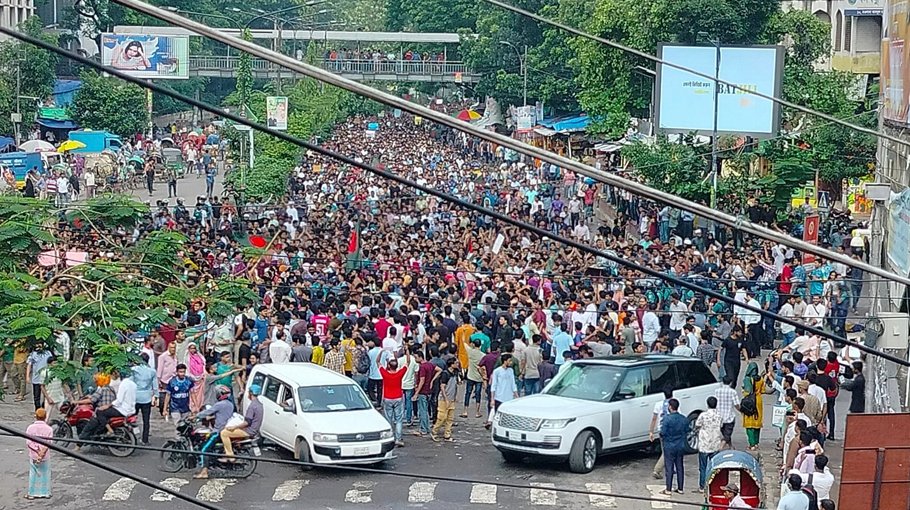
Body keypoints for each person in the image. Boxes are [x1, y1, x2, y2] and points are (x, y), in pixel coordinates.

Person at [79, 368, 136, 442]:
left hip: (123, 410)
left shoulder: (122, 385)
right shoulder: (133, 384)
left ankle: (110, 430)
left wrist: (107, 406)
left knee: (100, 412)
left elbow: (119, 400)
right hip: (131, 409)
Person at [193, 385, 235, 479]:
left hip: (218, 431)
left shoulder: (220, 404)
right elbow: (221, 415)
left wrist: (195, 416)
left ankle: (204, 472)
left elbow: (207, 412)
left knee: (204, 449)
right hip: (224, 428)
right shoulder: (230, 404)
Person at [220, 384, 263, 460]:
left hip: (248, 431)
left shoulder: (252, 406)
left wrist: (234, 427)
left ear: (251, 393)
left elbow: (247, 422)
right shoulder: (260, 405)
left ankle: (230, 456)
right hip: (254, 430)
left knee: (224, 433)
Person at [379, 348, 409, 446]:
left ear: (388, 366)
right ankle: (398, 439)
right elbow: (407, 362)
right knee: (399, 419)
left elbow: (377, 362)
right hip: (398, 397)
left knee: (388, 418)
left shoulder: (385, 374)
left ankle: (390, 437)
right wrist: (407, 352)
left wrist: (381, 352)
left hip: (387, 397)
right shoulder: (399, 374)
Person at [659, 398, 689, 495]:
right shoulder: (683, 419)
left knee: (669, 467)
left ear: (670, 407)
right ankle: (680, 488)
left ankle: (668, 488)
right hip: (680, 445)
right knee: (680, 466)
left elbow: (662, 432)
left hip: (669, 445)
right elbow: (688, 430)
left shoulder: (667, 419)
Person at [695, 396, 723, 492]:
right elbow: (721, 425)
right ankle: (713, 485)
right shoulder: (719, 415)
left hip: (704, 444)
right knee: (714, 466)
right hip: (715, 444)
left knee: (703, 467)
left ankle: (702, 486)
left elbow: (697, 425)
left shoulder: (703, 415)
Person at [25, 408, 53, 500]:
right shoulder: (49, 429)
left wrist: (37, 451)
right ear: (45, 417)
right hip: (45, 455)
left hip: (33, 454)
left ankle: (32, 493)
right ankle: (45, 492)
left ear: (35, 416)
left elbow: (29, 442)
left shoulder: (30, 428)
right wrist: (42, 452)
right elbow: (49, 443)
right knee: (45, 473)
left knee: (33, 472)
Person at [431, 357, 459, 442]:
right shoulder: (445, 374)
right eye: (456, 363)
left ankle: (447, 433)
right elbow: (442, 387)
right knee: (442, 417)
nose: (458, 364)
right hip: (444, 399)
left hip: (452, 399)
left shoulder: (455, 373)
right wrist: (446, 398)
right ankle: (434, 431)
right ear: (452, 364)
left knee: (450, 418)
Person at [132, 353, 158, 445]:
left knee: (131, 418)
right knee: (146, 420)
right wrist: (156, 396)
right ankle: (145, 440)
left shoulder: (134, 370)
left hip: (135, 397)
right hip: (146, 397)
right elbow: (155, 386)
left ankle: (132, 436)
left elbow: (130, 383)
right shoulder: (152, 371)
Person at [648, 386, 673, 479]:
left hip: (661, 430)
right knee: (667, 452)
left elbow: (654, 419)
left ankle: (669, 468)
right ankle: (657, 470)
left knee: (665, 450)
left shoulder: (658, 404)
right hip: (671, 431)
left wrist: (651, 431)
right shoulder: (674, 404)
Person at [488, 353, 519, 427]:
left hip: (509, 397)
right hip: (499, 397)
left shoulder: (511, 371)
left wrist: (516, 395)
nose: (510, 362)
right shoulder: (497, 371)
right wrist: (492, 399)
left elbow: (513, 384)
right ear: (505, 361)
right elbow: (494, 385)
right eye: (509, 361)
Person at [741, 361, 765, 451]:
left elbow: (747, 392)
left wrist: (743, 391)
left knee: (749, 425)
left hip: (750, 402)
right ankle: (756, 443)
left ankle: (752, 444)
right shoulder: (761, 379)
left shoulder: (747, 379)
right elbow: (763, 390)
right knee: (757, 423)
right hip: (758, 401)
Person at [714, 376, 741, 448]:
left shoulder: (717, 391)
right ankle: (720, 448)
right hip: (729, 417)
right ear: (730, 383)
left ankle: (731, 446)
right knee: (727, 435)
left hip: (719, 417)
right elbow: (736, 404)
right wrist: (741, 411)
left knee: (725, 433)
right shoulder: (733, 392)